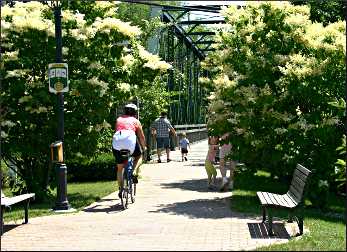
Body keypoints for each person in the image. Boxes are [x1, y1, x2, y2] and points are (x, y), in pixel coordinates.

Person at [112, 103, 147, 199]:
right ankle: (134, 171)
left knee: (120, 169)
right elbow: (141, 137)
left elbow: (116, 132)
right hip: (130, 142)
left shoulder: (118, 120)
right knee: (139, 156)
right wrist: (144, 147)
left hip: (117, 143)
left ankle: (121, 189)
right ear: (135, 113)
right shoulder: (136, 121)